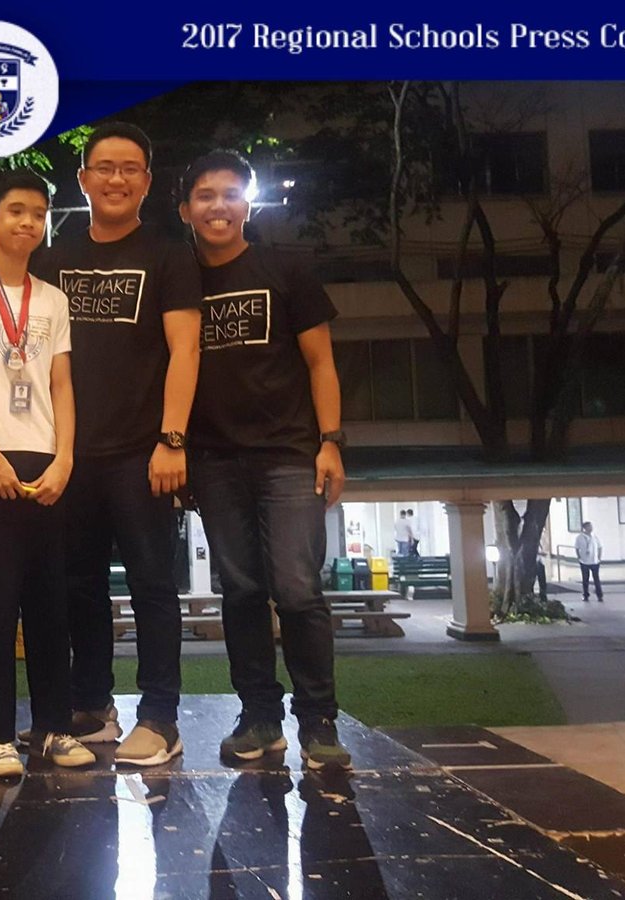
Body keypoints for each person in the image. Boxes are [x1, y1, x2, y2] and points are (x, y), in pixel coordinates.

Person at [32, 123, 203, 766]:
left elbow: (186, 350)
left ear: (147, 182)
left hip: (142, 452)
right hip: (70, 454)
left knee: (153, 585)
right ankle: (92, 706)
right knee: (79, 586)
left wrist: (172, 439)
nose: (116, 179)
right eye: (104, 167)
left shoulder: (169, 257)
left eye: (130, 168)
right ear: (84, 180)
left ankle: (159, 717)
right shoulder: (53, 260)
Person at [178, 150, 352, 770]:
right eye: (205, 195)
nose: (218, 206)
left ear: (247, 205)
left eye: (230, 194)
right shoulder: (179, 281)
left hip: (288, 455)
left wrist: (331, 441)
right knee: (242, 591)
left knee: (298, 590)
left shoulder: (286, 269)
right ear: (185, 210)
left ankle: (319, 721)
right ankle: (259, 716)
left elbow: (321, 363)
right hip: (214, 460)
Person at [0, 169, 94, 777]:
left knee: (51, 605)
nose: (28, 222)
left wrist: (66, 458)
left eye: (38, 213)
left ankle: (53, 728)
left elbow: (63, 383)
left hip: (47, 464)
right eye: (16, 211)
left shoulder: (52, 299)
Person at [575, 521, 604, 602]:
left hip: (595, 561)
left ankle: (599, 595)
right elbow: (577, 548)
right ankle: (586, 595)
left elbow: (600, 547)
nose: (591, 528)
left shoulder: (594, 536)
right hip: (584, 562)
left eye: (591, 526)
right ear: (584, 528)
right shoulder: (580, 537)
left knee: (596, 579)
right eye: (589, 527)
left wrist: (599, 558)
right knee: (585, 579)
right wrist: (579, 557)